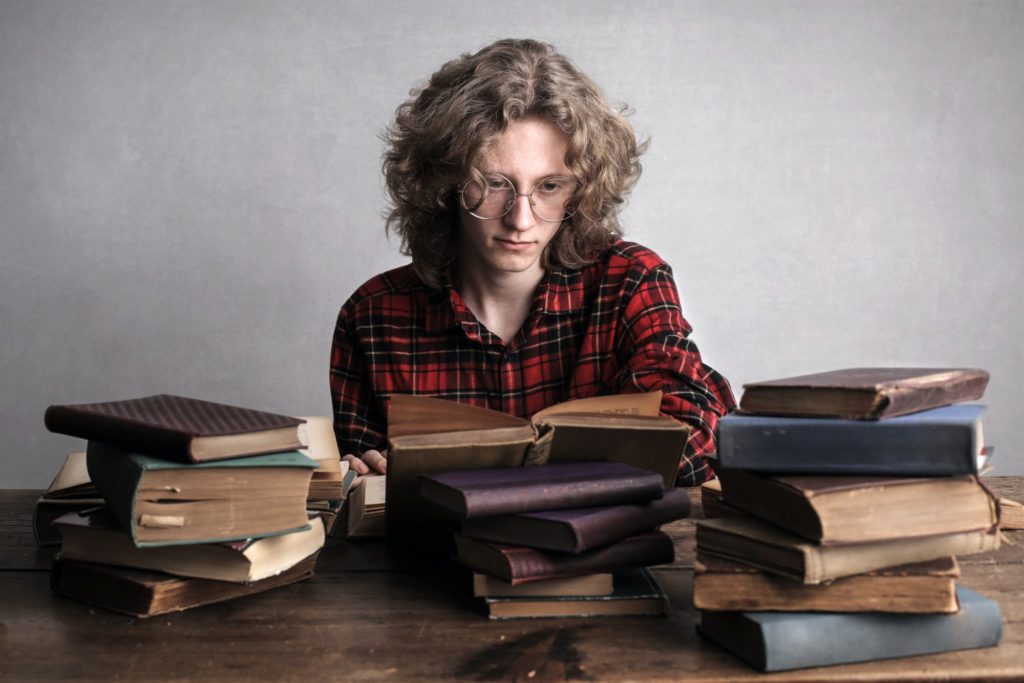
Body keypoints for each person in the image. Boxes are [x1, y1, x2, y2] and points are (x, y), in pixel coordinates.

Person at [331, 38, 735, 486]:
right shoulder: (371, 316)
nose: (520, 219)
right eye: (494, 184)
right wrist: (362, 476)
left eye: (549, 187)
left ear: (580, 192)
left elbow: (697, 436)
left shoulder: (630, 281)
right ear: (446, 183)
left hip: (602, 551)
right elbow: (364, 484)